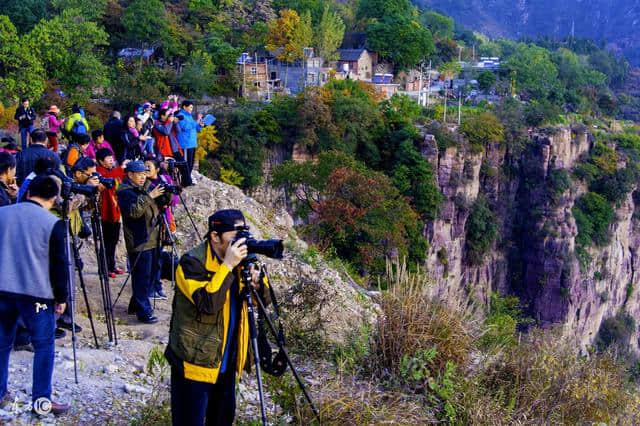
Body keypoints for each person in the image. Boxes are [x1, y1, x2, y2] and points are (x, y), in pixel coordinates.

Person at [165, 209, 271, 426]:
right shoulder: (191, 263)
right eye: (235, 235)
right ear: (214, 236)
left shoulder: (243, 262)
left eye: (244, 233)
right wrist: (228, 266)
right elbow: (208, 304)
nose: (240, 242)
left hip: (226, 364)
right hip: (194, 366)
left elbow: (265, 301)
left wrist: (259, 284)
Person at [0, 175, 71, 416]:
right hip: (37, 295)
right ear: (54, 198)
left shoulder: (3, 213)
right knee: (44, 346)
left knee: (1, 345)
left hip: (2, 291)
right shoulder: (53, 224)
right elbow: (59, 265)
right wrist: (62, 298)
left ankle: (0, 394)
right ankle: (41, 401)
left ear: (28, 192)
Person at [116, 160, 166, 324]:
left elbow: (164, 202)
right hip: (139, 239)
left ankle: (136, 305)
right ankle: (143, 311)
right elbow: (134, 212)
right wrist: (150, 196)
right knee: (142, 277)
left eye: (145, 173)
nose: (143, 177)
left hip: (153, 237)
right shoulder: (125, 191)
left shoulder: (146, 186)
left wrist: (168, 192)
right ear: (130, 175)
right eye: (140, 174)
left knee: (151, 275)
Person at [144, 157, 177, 300]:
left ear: (157, 169)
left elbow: (174, 200)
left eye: (148, 166)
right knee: (150, 257)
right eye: (144, 166)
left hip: (164, 220)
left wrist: (168, 193)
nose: (145, 169)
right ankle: (150, 287)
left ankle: (157, 286)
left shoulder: (165, 179)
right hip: (149, 223)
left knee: (158, 256)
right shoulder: (143, 183)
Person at [96, 149, 128, 278]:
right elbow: (107, 180)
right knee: (106, 241)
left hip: (115, 211)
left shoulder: (112, 171)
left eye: (111, 157)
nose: (111, 160)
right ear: (100, 161)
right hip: (105, 212)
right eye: (108, 158)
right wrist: (121, 168)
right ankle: (103, 268)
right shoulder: (99, 171)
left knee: (114, 240)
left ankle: (111, 266)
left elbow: (119, 178)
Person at [175, 101, 202, 186]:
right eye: (190, 107)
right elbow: (185, 127)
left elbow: (195, 128)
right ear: (184, 107)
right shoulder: (180, 115)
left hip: (192, 143)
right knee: (185, 164)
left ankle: (187, 180)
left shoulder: (189, 116)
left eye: (192, 108)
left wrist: (200, 125)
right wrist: (197, 121)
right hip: (185, 143)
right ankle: (185, 182)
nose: (191, 109)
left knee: (190, 163)